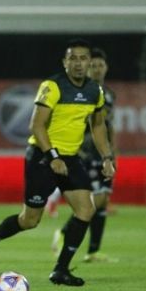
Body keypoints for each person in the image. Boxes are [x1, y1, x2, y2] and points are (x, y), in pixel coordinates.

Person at [0, 39, 115, 286]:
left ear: (89, 62)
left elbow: (98, 124)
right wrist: (53, 157)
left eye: (83, 58)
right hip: (41, 156)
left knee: (86, 210)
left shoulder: (95, 91)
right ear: (65, 62)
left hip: (70, 158)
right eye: (73, 58)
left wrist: (107, 157)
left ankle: (61, 270)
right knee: (30, 220)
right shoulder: (53, 86)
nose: (78, 63)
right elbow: (36, 125)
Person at [50, 47, 118, 263]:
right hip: (81, 152)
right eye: (94, 65)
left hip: (101, 154)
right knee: (94, 200)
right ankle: (63, 233)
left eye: (101, 65)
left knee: (103, 198)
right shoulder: (77, 92)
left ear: (106, 67)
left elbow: (107, 125)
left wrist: (111, 153)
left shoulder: (107, 94)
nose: (97, 69)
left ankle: (93, 250)